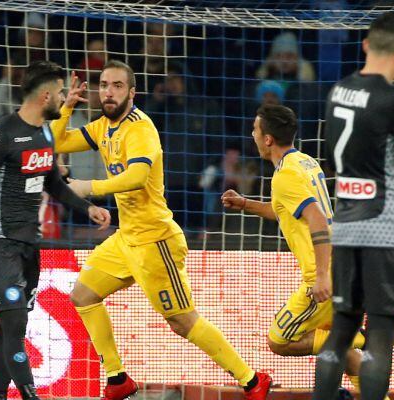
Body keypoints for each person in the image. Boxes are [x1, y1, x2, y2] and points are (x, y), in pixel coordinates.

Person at [49, 61, 272, 400]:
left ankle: (252, 380)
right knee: (83, 295)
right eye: (104, 84)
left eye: (117, 85)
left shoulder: (141, 128)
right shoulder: (101, 128)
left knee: (183, 322)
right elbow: (59, 140)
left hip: (156, 241)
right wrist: (66, 107)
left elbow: (138, 177)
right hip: (127, 239)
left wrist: (87, 186)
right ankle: (117, 378)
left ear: (132, 92)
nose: (108, 91)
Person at [0, 61, 111, 400]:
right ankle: (30, 394)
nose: (64, 98)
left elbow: (55, 185)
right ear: (45, 95)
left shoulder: (46, 134)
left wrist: (87, 206)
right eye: (61, 92)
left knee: (8, 330)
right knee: (16, 324)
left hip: (28, 244)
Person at [313, 12, 394, 400]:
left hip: (347, 224)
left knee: (341, 329)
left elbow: (334, 158)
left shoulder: (339, 90)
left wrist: (391, 160)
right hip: (385, 227)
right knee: (380, 336)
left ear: (366, 45)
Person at [221, 104, 387, 400]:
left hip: (326, 273)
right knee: (345, 355)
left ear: (268, 138)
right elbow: (284, 210)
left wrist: (321, 276)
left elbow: (317, 218)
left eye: (255, 130)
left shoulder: (285, 176)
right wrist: (246, 204)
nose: (253, 135)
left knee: (280, 340)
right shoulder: (305, 162)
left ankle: (356, 336)